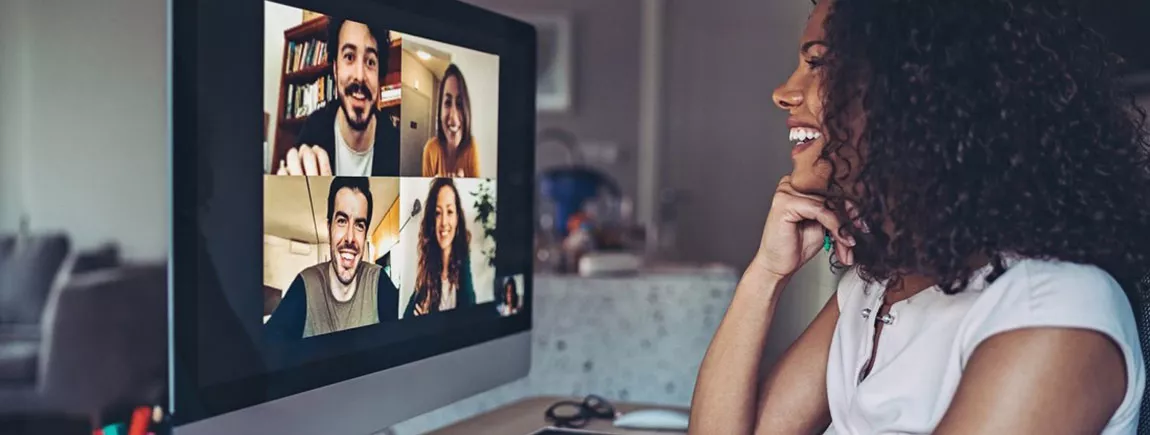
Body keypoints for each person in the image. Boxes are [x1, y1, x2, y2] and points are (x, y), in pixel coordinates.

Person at [689, 1, 1150, 434]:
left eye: (820, 63)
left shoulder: (1051, 310)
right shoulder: (877, 286)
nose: (784, 92)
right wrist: (765, 275)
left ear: (913, 90)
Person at [266, 177, 399, 338]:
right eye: (342, 221)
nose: (350, 238)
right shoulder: (306, 284)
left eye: (359, 225)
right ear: (329, 228)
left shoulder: (377, 280)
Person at [277, 18, 400, 177]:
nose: (360, 76)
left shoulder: (395, 145)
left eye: (370, 62)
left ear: (379, 76)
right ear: (335, 69)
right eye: (349, 57)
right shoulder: (313, 129)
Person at [404, 178, 477, 317]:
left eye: (449, 212)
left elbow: (471, 318)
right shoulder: (427, 271)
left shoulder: (463, 263)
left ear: (457, 218)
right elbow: (405, 320)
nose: (444, 222)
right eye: (438, 213)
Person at [421, 64, 481, 178]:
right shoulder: (430, 149)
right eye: (448, 103)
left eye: (459, 104)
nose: (453, 118)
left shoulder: (472, 147)